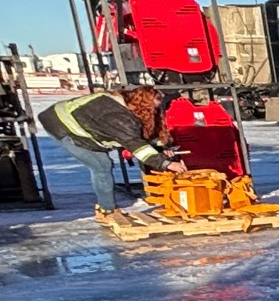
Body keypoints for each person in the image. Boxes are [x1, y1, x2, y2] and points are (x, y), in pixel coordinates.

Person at [39, 89, 179, 215]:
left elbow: (137, 136)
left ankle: (106, 206)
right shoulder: (116, 116)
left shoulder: (125, 106)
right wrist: (166, 164)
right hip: (63, 125)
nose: (154, 112)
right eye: (152, 109)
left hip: (77, 119)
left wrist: (161, 149)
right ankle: (107, 209)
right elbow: (134, 143)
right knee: (101, 166)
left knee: (103, 163)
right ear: (143, 106)